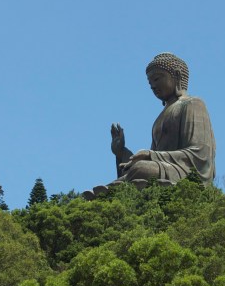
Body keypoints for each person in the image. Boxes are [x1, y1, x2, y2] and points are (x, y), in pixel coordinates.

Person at [83, 52, 216, 199]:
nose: (153, 86)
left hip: (186, 171)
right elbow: (154, 157)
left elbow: (200, 154)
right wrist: (121, 152)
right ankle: (117, 188)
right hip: (164, 168)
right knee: (138, 168)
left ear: (176, 75)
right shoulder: (161, 116)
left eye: (157, 79)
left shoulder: (193, 104)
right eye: (150, 83)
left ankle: (114, 190)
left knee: (142, 168)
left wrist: (150, 155)